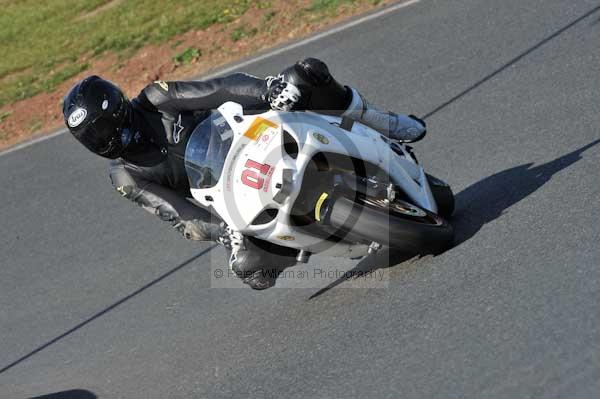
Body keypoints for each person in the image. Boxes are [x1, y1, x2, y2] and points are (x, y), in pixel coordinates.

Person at [62, 58, 426, 290]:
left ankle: (384, 121)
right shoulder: (125, 176)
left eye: (103, 127)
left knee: (304, 73)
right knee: (251, 271)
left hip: (251, 135)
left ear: (119, 109)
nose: (104, 139)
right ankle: (327, 238)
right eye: (92, 138)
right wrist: (225, 233)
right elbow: (179, 216)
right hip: (233, 193)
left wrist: (267, 89)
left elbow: (218, 88)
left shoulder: (156, 99)